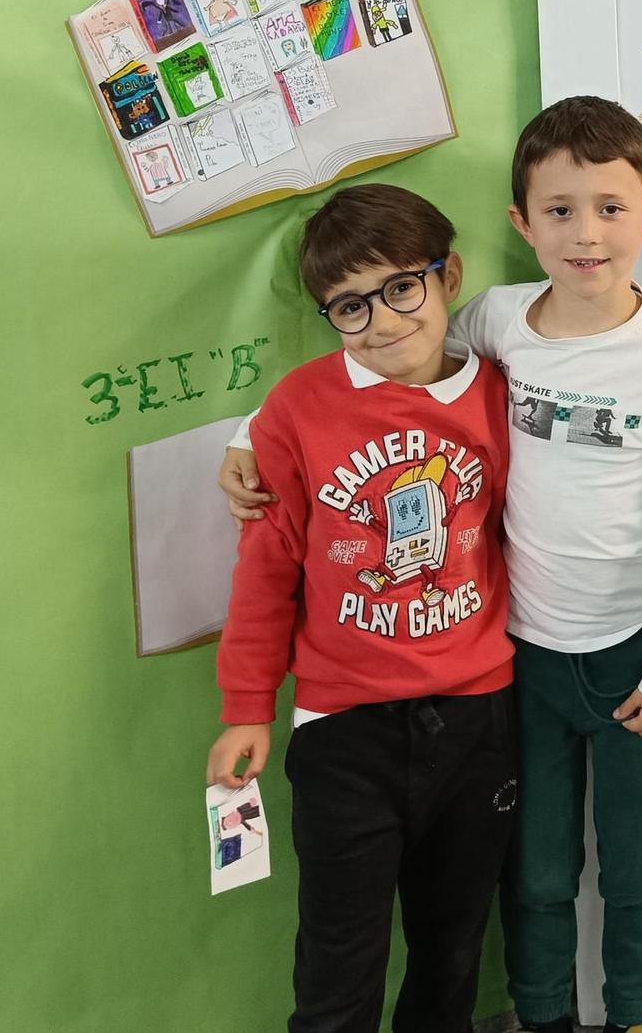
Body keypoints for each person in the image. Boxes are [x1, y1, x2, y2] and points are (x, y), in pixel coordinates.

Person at [223, 97, 642, 1033]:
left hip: (618, 653)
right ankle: (542, 1018)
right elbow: (362, 384)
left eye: (611, 208)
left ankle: (637, 1018)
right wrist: (252, 438)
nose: (585, 233)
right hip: (516, 661)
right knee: (528, 875)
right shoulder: (499, 320)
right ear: (520, 225)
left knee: (631, 866)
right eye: (560, 210)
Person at [205, 184, 516, 1033]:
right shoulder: (298, 408)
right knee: (340, 959)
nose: (382, 321)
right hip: (343, 726)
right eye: (350, 305)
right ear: (328, 315)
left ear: (447, 275)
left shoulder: (502, 396)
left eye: (401, 288)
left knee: (452, 949)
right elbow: (265, 570)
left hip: (478, 714)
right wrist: (246, 708)